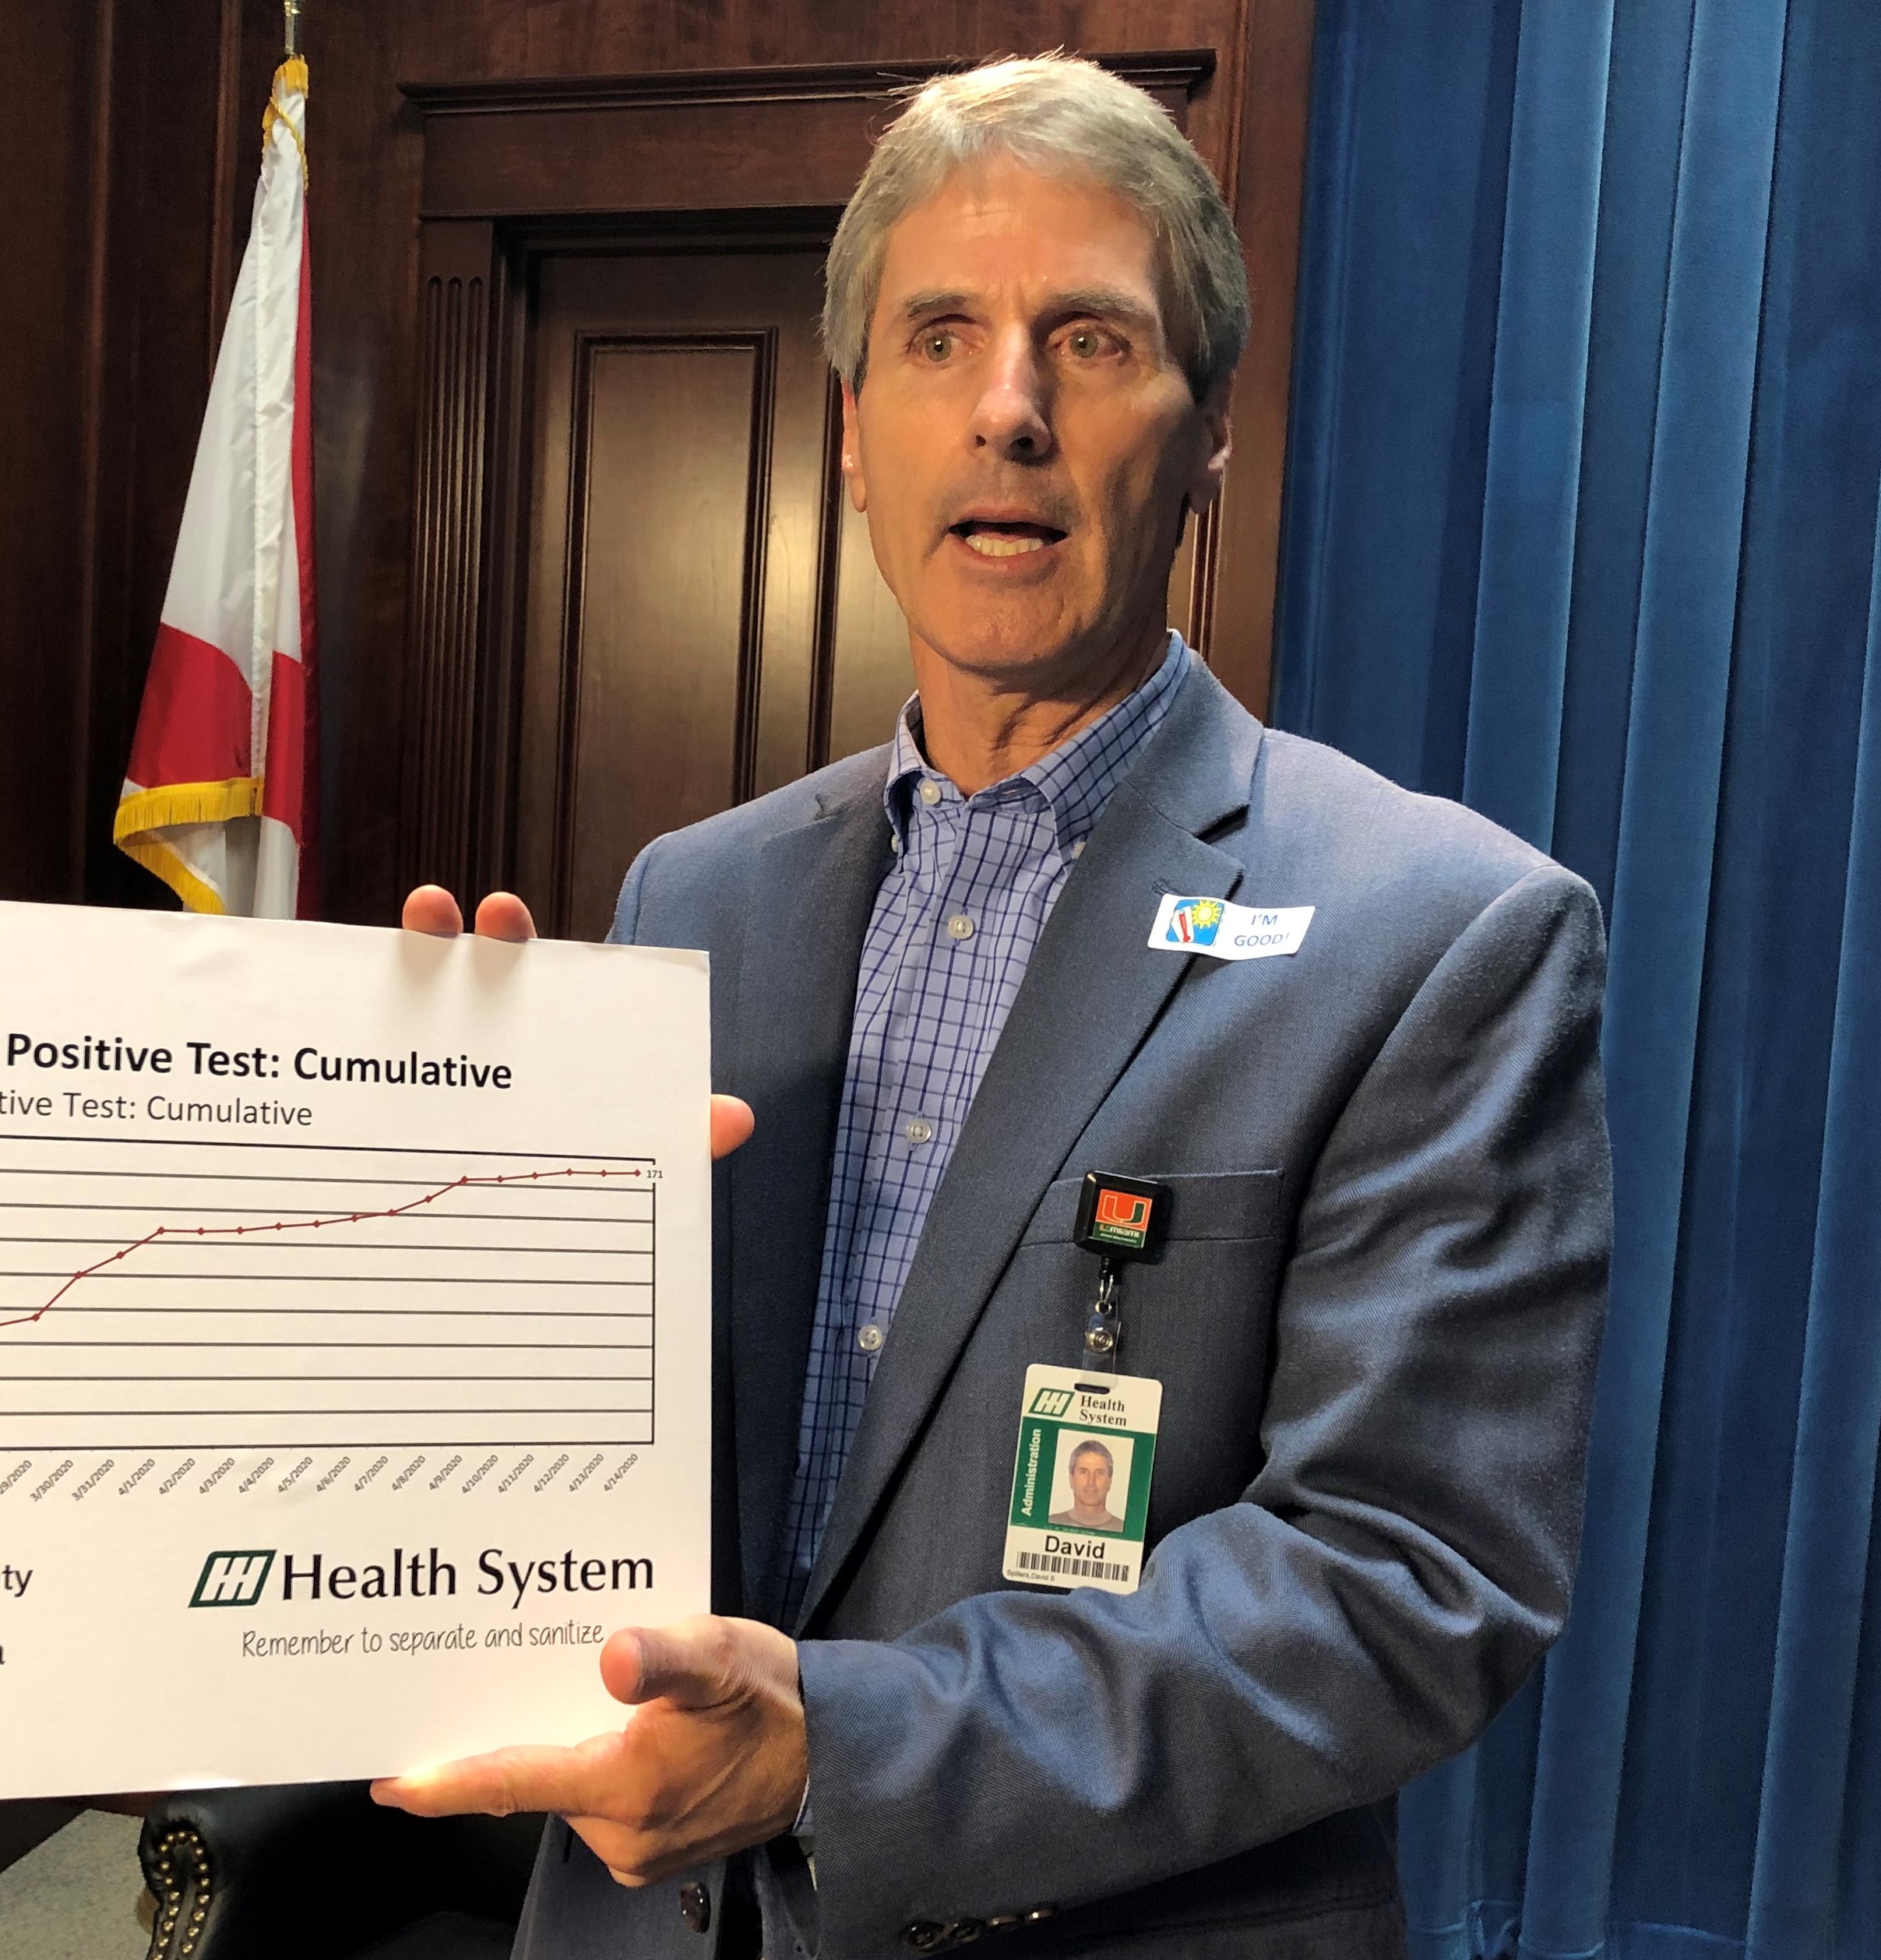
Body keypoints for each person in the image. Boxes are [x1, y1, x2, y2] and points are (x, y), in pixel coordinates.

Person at [379, 53, 1611, 1960]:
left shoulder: (1442, 933)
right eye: (938, 337)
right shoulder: (691, 895)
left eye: (1090, 342)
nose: (1007, 409)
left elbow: (1400, 1579)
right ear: (855, 434)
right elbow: (595, 1466)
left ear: (1208, 430)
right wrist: (438, 1214)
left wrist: (835, 1754)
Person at [1050, 1439, 1123, 1534]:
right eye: (1083, 1472)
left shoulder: (1123, 1529)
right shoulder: (1051, 1523)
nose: (1091, 1482)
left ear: (1110, 1482)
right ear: (1071, 1479)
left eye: (1099, 1473)